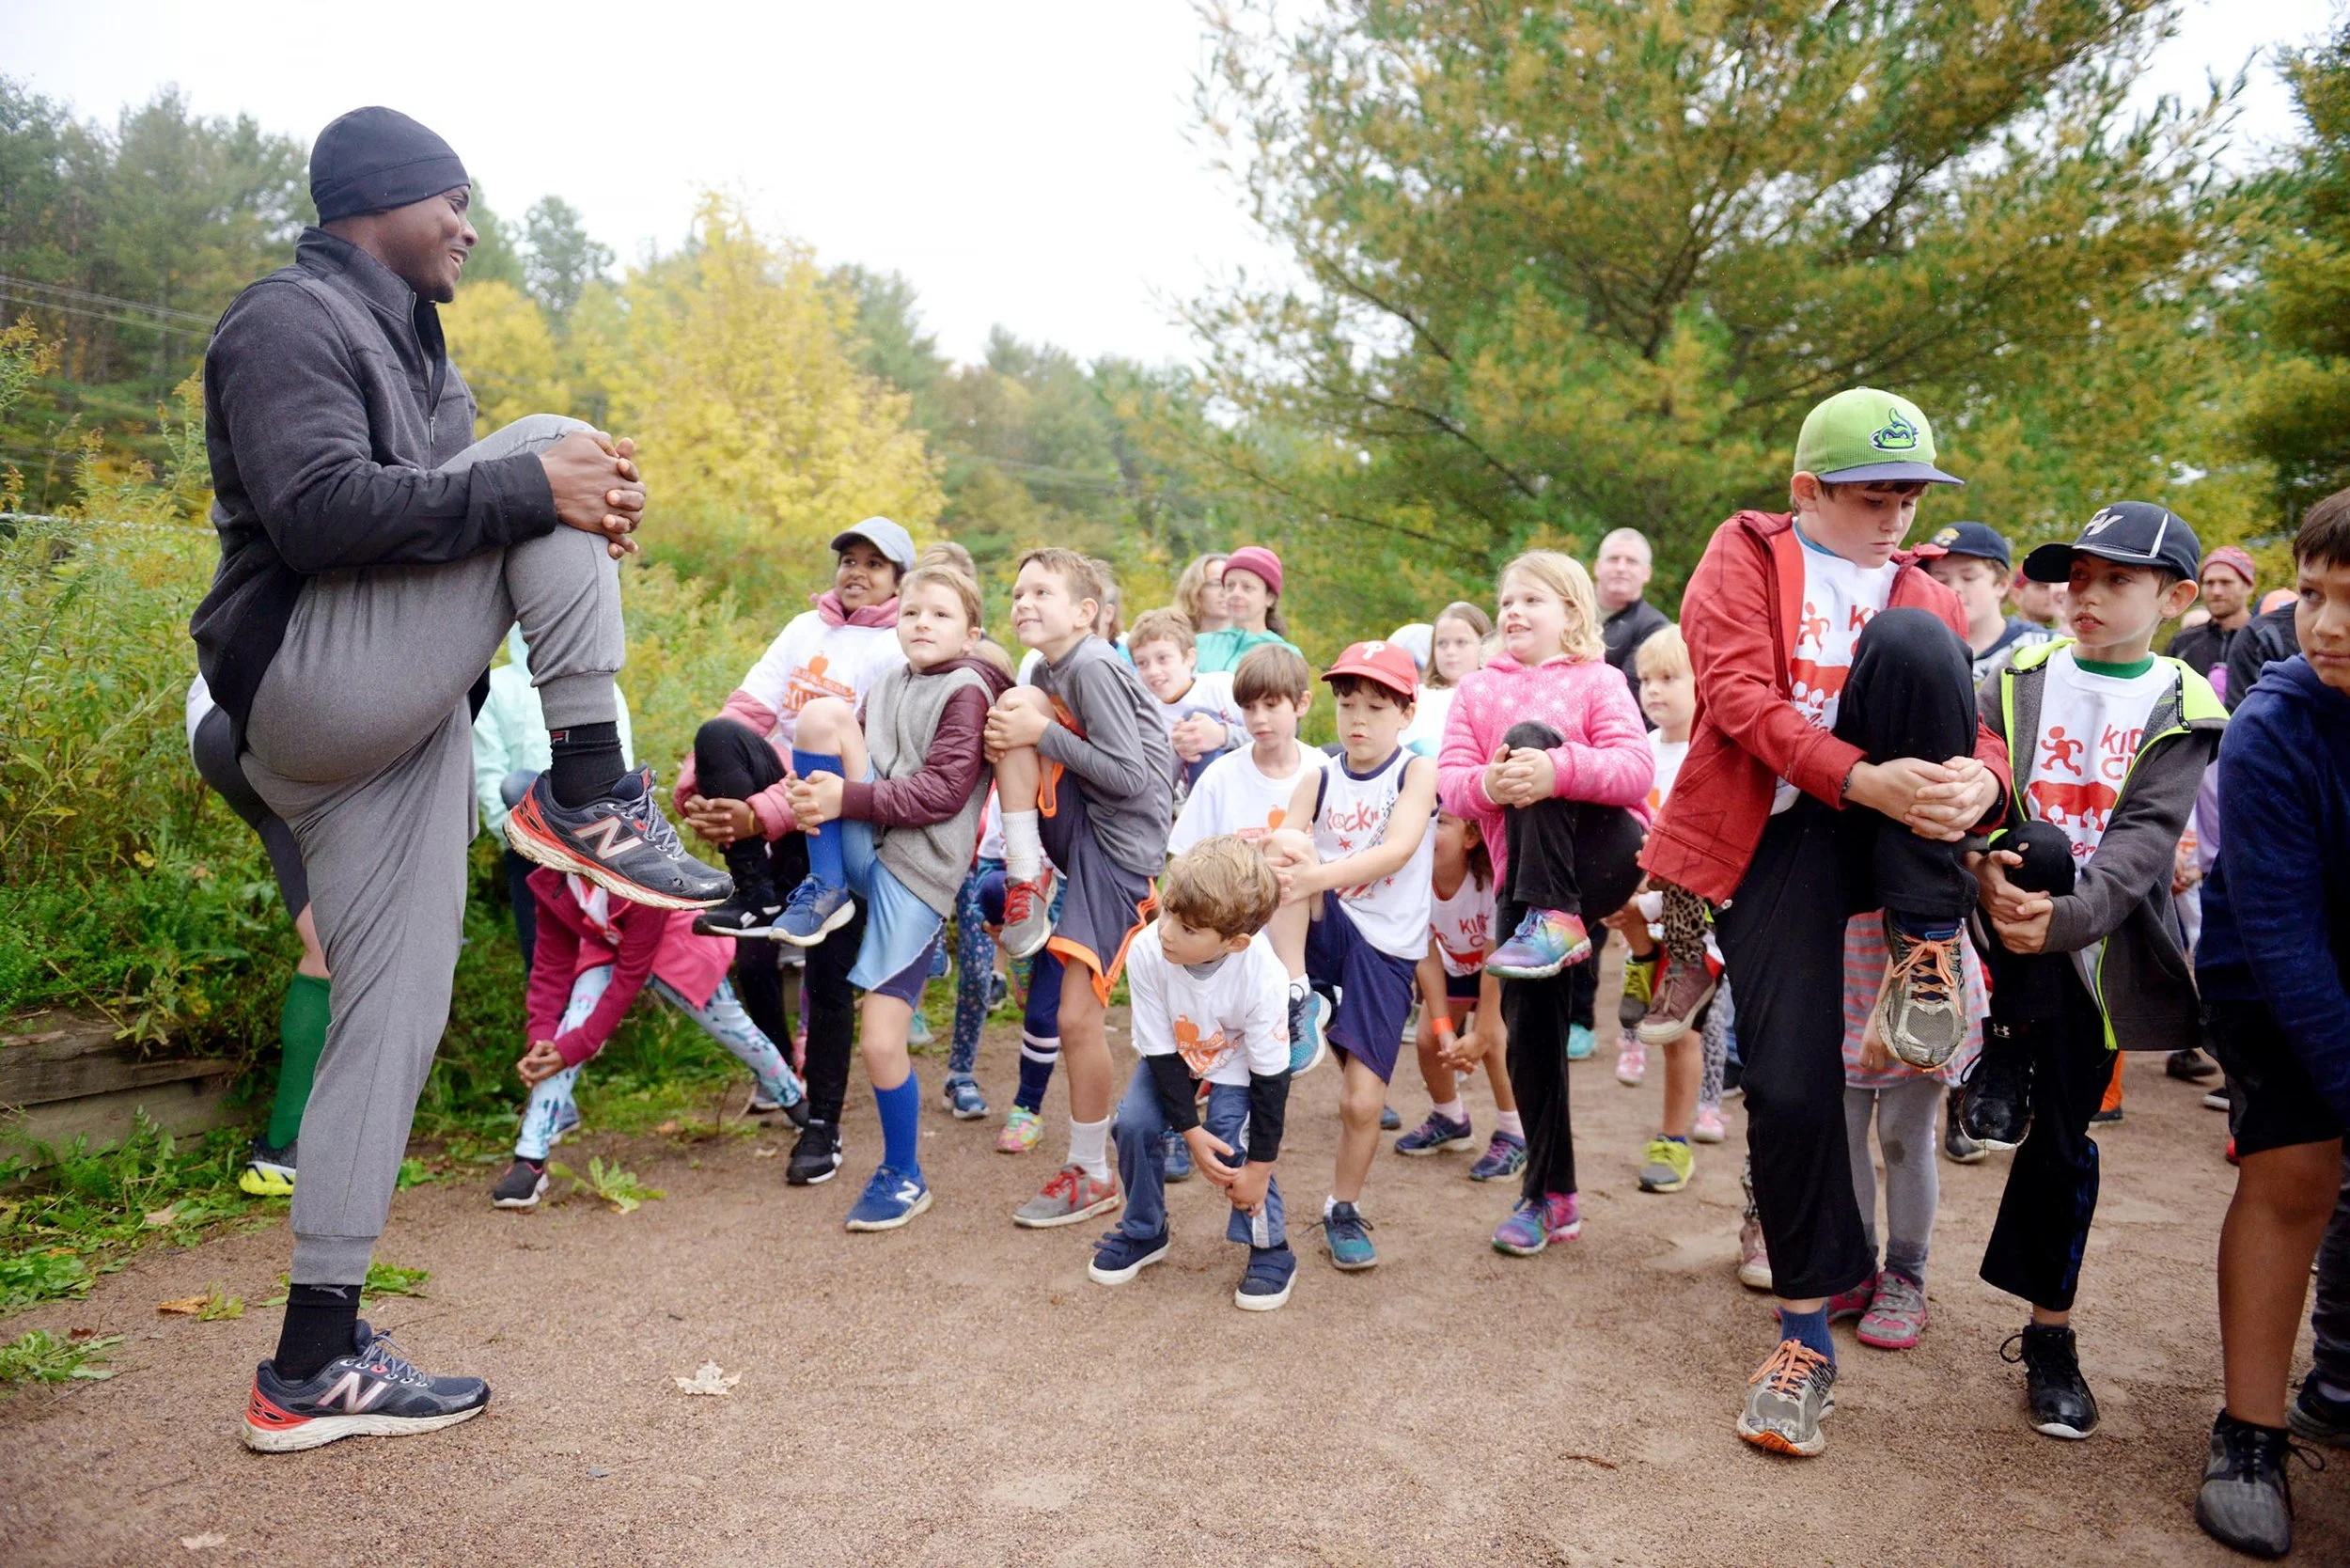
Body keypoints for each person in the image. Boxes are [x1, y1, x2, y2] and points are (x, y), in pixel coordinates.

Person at [208, 108, 728, 1455]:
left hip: (403, 727)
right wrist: (548, 483)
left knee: (391, 1028)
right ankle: (593, 785)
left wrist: (580, 504)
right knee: (551, 442)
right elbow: (320, 513)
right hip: (311, 680)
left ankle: (312, 1360)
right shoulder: (286, 321)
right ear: (384, 200)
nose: (470, 227)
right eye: (454, 200)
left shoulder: (423, 357)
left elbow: (475, 528)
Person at [1639, 387, 2008, 1457]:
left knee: (1913, 639)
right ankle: (1804, 1337)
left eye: (1910, 496)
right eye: (1870, 496)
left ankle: (1925, 949)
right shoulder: (1743, 554)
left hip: (1900, 842)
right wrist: (1860, 779)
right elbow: (1740, 704)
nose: (1894, 517)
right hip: (1784, 832)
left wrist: (1980, 790)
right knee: (1792, 1091)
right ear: (1808, 491)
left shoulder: (1924, 595)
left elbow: (1974, 732)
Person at [1956, 503, 2220, 1441]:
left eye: (2117, 580)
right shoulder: (2019, 673)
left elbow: (2145, 839)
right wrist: (1985, 862)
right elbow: (1978, 785)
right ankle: (1998, 1052)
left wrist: (2060, 923)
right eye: (2077, 577)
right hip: (1997, 931)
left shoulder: (2182, 703)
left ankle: (2048, 1338)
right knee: (2034, 837)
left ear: (2174, 596)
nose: (2088, 596)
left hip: (2094, 960)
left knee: (2064, 1147)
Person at [2192, 491, 2350, 1558]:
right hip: (2272, 979)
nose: (2327, 624)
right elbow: (2286, 939)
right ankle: (2247, 1434)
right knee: (2296, 1171)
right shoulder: (2271, 727)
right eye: (2318, 594)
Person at [674, 518, 913, 1188]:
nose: (856, 572)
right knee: (717, 733)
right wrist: (702, 798)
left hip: (838, 832)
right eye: (847, 559)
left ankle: (824, 1127)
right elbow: (749, 710)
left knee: (830, 984)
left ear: (898, 580)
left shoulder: (896, 651)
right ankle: (752, 899)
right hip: (774, 833)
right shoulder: (801, 630)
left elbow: (854, 759)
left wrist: (758, 814)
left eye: (874, 564)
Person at [771, 564, 1011, 1230]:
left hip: (916, 873)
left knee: (881, 1043)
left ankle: (903, 1173)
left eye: (939, 614)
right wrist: (810, 797)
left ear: (972, 630)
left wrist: (841, 797)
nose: (921, 624)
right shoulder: (889, 680)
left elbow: (940, 793)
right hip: (861, 853)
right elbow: (853, 763)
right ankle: (824, 888)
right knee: (821, 715)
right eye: (910, 613)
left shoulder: (968, 690)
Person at [1436, 553, 1653, 1256]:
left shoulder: (1602, 679)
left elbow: (1635, 771)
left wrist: (1553, 766)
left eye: (1533, 599)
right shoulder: (1473, 690)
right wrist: (1493, 788)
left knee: (1530, 742)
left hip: (1605, 858)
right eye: (1505, 601)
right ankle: (1549, 1195)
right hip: (1523, 886)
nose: (1513, 612)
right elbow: (1450, 784)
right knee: (1531, 1044)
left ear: (1573, 612)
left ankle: (1561, 921)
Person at [987, 549, 1177, 1228]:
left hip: (1121, 849)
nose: (1023, 603)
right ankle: (1023, 872)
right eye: (1016, 593)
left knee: (1075, 1018)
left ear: (1086, 612)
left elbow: (1131, 778)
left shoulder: (1093, 662)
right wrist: (1032, 727)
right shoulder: (1045, 667)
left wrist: (1042, 734)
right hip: (1081, 825)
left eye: (1042, 591)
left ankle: (1094, 1173)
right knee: (1018, 705)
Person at [1261, 639, 1439, 1271]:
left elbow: (1397, 848)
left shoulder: (1415, 772)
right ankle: (1296, 993)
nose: (1357, 720)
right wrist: (1278, 842)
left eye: (1374, 707)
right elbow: (1292, 833)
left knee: (1360, 1102)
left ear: (1406, 714)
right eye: (1346, 705)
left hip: (1386, 949)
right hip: (1323, 925)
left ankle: (1343, 1206)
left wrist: (1314, 875)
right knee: (1285, 859)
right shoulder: (1320, 773)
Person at [493, 869, 807, 1209]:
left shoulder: (635, 866)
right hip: (607, 948)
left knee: (735, 1030)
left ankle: (793, 1097)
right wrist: (541, 1037)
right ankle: (529, 1156)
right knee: (564, 1034)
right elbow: (550, 965)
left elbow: (631, 974)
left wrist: (576, 1047)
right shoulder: (552, 879)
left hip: (674, 949)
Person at [1089, 837, 1300, 1309]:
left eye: (1187, 929)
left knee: (1232, 1136)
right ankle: (1145, 1230)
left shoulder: (1261, 973)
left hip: (1244, 1055)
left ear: (1234, 941)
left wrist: (1259, 1170)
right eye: (1166, 912)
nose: (1166, 932)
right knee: (1134, 1123)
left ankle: (1272, 1249)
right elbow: (1161, 1054)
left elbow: (1272, 1084)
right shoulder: (1147, 950)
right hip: (1182, 1050)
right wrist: (1188, 1130)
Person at [187, 674, 328, 1199]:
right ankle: (293, 1141)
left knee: (331, 947)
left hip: (227, 731)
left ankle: (286, 1148)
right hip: (253, 718)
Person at [1830, 911, 1988, 1352]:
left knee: (1903, 1136)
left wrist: (1886, 1010)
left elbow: (1935, 898)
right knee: (1841, 1132)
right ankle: (1854, 1271)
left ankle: (1905, 1277)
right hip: (1843, 971)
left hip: (1922, 983)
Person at [1610, 626, 1729, 1185]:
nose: (1652, 691)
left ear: (1703, 685)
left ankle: (1673, 1140)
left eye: (1668, 678)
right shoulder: (1640, 752)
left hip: (1696, 920)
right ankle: (1637, 965)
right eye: (1644, 680)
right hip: (1643, 905)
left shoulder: (1714, 755)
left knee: (1680, 1033)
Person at [473, 624, 635, 975]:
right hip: (528, 852)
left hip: (594, 852)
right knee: (545, 965)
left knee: (602, 962)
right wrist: (518, 839)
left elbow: (623, 772)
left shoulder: (600, 690)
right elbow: (489, 775)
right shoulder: (498, 688)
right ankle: (548, 1030)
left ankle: (588, 1029)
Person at [1393, 810, 1527, 1182]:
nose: (1425, 827)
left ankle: (1515, 1132)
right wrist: (1445, 1031)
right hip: (1453, 967)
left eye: (1440, 822)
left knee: (1495, 1043)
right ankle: (1450, 1118)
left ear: (1471, 838)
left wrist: (1481, 1032)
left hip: (1499, 969)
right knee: (1428, 1040)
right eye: (1424, 817)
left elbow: (1494, 962)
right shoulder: (1412, 885)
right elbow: (1428, 960)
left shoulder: (1491, 884)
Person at [1167, 645, 1318, 855]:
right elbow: (1185, 860)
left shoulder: (1323, 770)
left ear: (1301, 703)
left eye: (1271, 705)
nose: (1259, 719)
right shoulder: (1218, 778)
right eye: (1249, 707)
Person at [1127, 608, 1246, 796]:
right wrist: (1176, 751)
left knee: (1196, 720)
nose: (1153, 671)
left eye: (1163, 658)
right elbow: (1158, 787)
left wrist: (1222, 734)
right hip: (1193, 802)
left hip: (1245, 786)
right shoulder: (1147, 718)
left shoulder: (1222, 686)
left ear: (1189, 657)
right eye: (1142, 663)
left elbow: (1273, 738)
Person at [1919, 521, 2051, 682]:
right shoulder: (1920, 653)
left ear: (2002, 584)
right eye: (1941, 580)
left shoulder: (2042, 647)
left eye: (1968, 578)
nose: (1953, 589)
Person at [1399, 602, 1493, 758]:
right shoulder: (1418, 697)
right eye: (1442, 643)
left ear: (1484, 646)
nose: (1450, 651)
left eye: (1461, 642)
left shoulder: (1496, 699)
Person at [1194, 545, 1302, 674]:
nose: (1236, 593)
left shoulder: (1286, 656)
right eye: (1230, 586)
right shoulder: (1199, 646)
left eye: (1247, 587)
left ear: (1270, 598)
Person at [1593, 527, 1670, 704]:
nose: (1621, 568)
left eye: (1631, 561)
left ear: (1647, 573)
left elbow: (1628, 694)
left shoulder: (1654, 628)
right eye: (1613, 559)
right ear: (1597, 567)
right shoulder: (1567, 612)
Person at [2169, 544, 2259, 679]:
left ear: (2249, 586)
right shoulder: (2183, 643)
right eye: (2209, 583)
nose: (2216, 591)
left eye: (2226, 582)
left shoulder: (2264, 640)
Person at [1175, 552, 1232, 638]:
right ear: (1195, 590)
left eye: (1231, 585)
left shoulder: (1254, 645)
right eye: (1216, 584)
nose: (1225, 592)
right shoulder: (1175, 641)